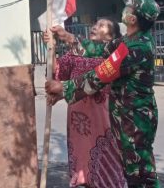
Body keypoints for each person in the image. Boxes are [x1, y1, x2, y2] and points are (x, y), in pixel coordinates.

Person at [46, 0, 161, 188]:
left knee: (140, 175)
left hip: (135, 121)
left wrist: (64, 87)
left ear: (132, 19)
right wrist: (67, 37)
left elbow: (99, 76)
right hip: (126, 117)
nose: (125, 9)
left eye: (130, 8)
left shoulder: (136, 48)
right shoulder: (130, 39)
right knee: (133, 171)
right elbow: (101, 48)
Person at [45, 19, 126, 188]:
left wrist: (66, 36)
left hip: (104, 120)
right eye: (95, 24)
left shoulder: (114, 54)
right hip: (79, 123)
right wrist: (51, 48)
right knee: (83, 171)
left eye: (102, 25)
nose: (95, 27)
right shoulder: (76, 53)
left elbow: (95, 81)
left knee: (107, 172)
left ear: (112, 36)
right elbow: (58, 72)